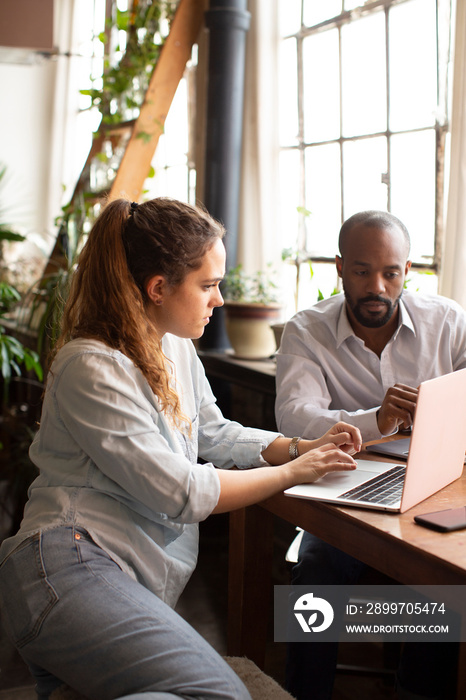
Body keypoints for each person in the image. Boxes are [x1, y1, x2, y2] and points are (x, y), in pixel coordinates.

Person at [0, 197, 362, 700]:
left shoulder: (173, 344)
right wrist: (295, 470)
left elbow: (212, 432)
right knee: (221, 692)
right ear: (157, 288)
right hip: (63, 565)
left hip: (112, 578)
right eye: (209, 285)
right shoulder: (91, 365)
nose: (219, 300)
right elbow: (182, 491)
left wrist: (300, 444)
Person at [275, 210, 466, 700]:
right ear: (339, 268)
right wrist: (374, 420)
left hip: (436, 484)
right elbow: (293, 418)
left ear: (408, 272)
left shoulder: (449, 322)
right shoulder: (305, 331)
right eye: (361, 271)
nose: (376, 286)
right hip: (344, 487)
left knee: (447, 584)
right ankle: (305, 694)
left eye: (391, 272)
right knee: (313, 575)